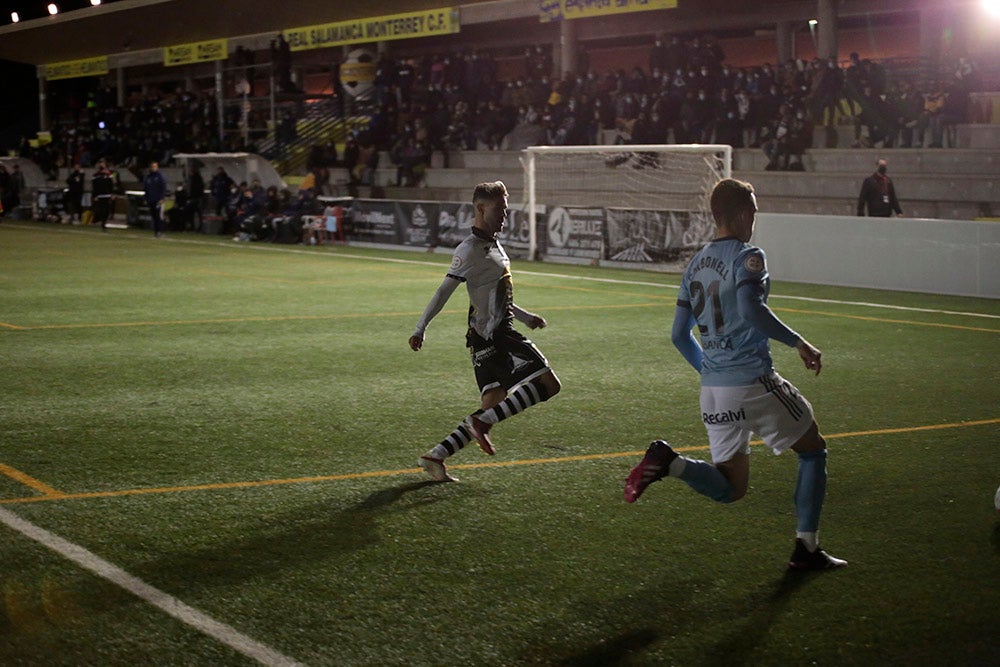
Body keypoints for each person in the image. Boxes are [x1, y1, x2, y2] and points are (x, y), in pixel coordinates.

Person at [623, 178, 846, 572]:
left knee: (730, 488)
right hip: (753, 382)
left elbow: (679, 335)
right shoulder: (748, 256)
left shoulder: (693, 264)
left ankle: (670, 462)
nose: (754, 221)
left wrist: (711, 370)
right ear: (744, 214)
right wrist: (798, 342)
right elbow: (750, 309)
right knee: (813, 450)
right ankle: (806, 547)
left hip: (714, 390)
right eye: (754, 213)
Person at [409, 180, 561, 482]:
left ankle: (436, 455)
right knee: (549, 384)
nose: (505, 214)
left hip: (482, 339)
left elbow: (496, 296)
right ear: (480, 209)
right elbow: (443, 292)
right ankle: (483, 424)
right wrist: (420, 327)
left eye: (506, 208)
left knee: (493, 402)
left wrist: (526, 317)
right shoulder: (469, 250)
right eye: (499, 209)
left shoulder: (494, 244)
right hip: (497, 335)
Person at [143, 161, 168, 237]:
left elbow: (163, 188)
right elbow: (146, 189)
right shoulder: (148, 177)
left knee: (159, 216)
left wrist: (162, 198)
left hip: (158, 200)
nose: (153, 168)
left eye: (155, 166)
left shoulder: (160, 177)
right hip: (151, 200)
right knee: (154, 216)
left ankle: (161, 231)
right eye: (152, 166)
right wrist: (145, 198)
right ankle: (156, 231)